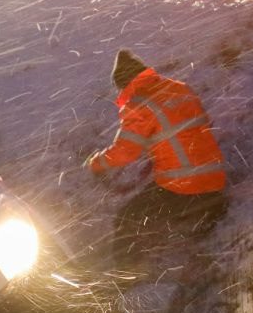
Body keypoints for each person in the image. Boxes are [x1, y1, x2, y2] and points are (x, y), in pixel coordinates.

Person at [85, 50, 228, 272]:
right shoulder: (178, 87)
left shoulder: (140, 104)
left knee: (128, 216)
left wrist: (96, 163)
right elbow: (186, 131)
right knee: (157, 195)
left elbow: (126, 151)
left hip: (186, 186)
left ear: (123, 84)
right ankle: (209, 206)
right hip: (215, 177)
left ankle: (125, 273)